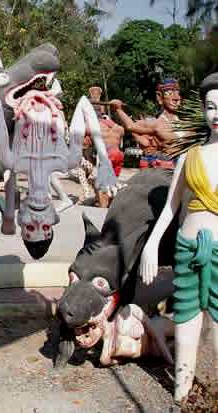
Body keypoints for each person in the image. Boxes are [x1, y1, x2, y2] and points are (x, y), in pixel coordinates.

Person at [139, 73, 218, 405]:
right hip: (186, 248)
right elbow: (171, 208)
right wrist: (152, 244)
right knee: (185, 319)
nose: (216, 114)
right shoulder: (191, 156)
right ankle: (182, 395)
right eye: (211, 107)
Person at [111, 79, 181, 169]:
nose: (176, 98)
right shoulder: (157, 124)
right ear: (159, 97)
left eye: (178, 93)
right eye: (170, 93)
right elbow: (131, 126)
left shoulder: (184, 123)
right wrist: (118, 109)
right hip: (164, 167)